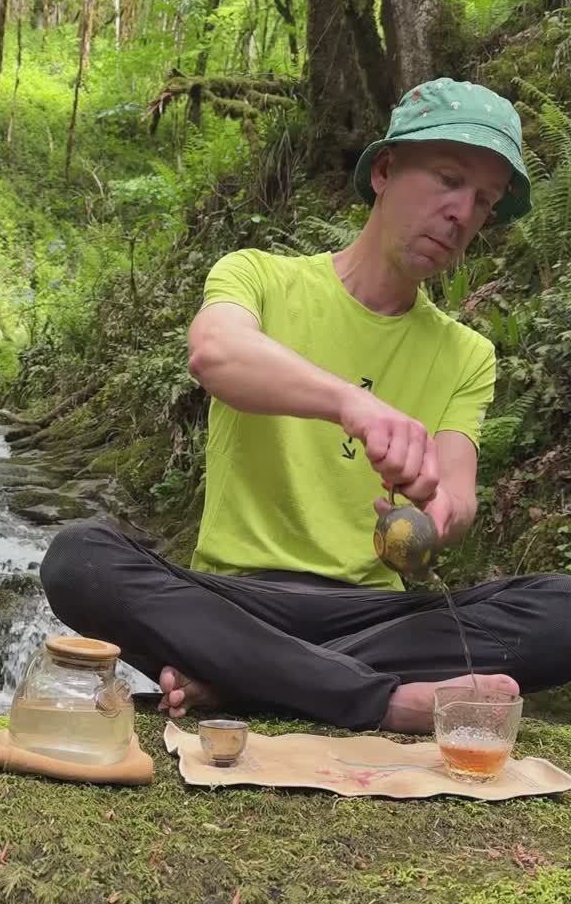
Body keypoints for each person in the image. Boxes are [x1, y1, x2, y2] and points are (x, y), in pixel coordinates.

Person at [40, 77, 571, 733]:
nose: (462, 212)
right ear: (384, 170)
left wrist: (436, 512)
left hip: (372, 615)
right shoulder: (259, 276)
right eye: (447, 179)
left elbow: (458, 498)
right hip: (236, 601)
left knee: (563, 607)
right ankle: (380, 700)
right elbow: (215, 352)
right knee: (79, 560)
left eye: (484, 200)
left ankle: (248, 678)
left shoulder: (467, 354)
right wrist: (354, 406)